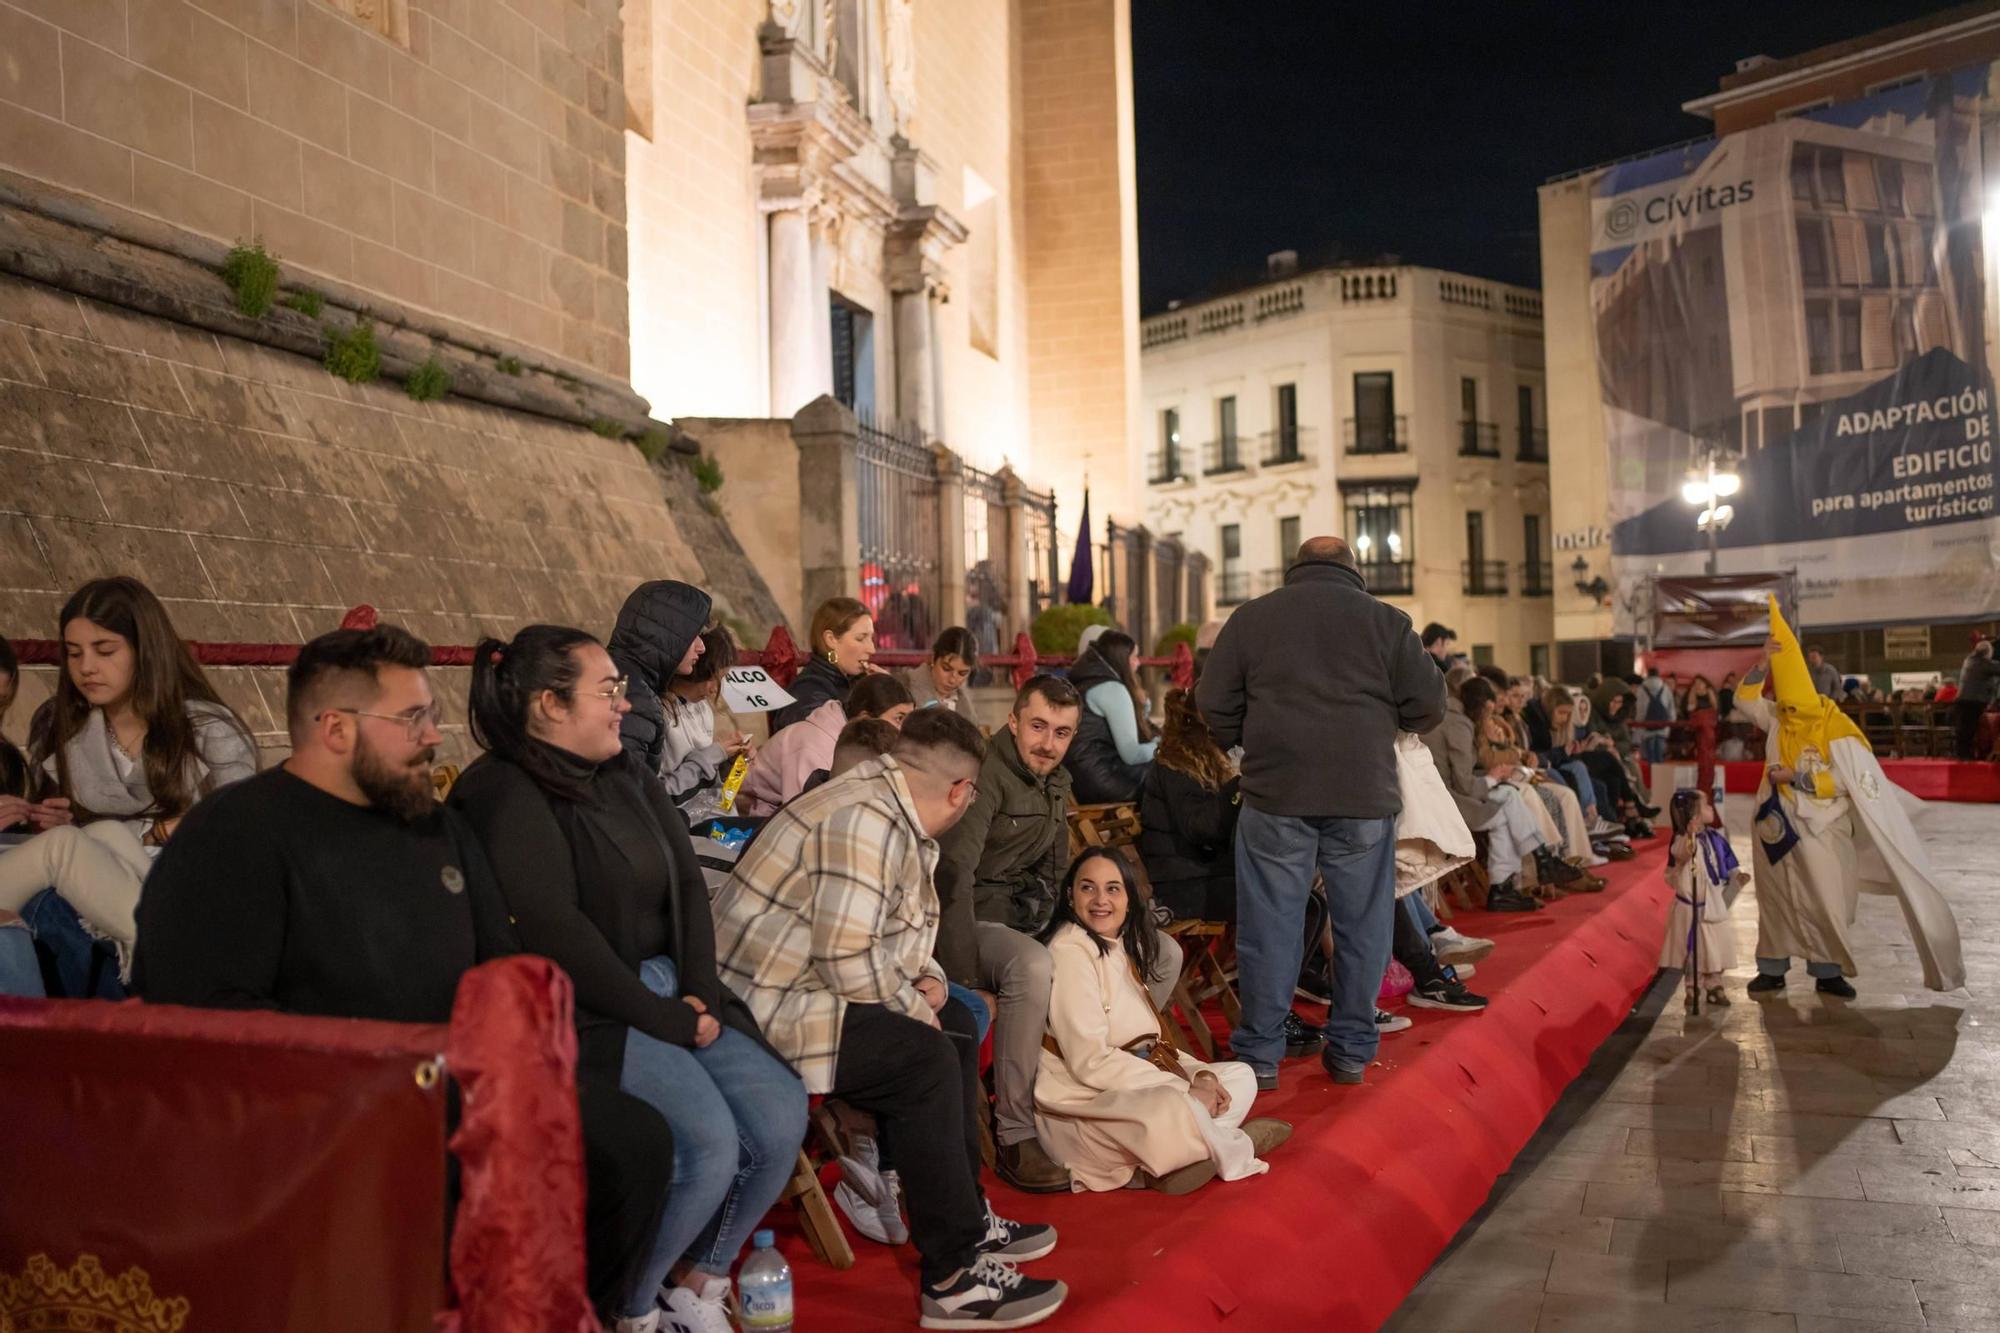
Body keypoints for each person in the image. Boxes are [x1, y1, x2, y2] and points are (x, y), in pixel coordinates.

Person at [134, 623, 677, 1324]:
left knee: (633, 1145)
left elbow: (496, 965)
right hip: (324, 1110)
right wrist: (390, 1073)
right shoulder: (233, 835)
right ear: (334, 727)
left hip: (455, 1085)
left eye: (432, 714)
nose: (434, 736)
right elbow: (204, 1024)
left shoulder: (432, 827)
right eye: (412, 718)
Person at [449, 625, 807, 1333]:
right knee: (704, 1141)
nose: (624, 703)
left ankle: (698, 1278)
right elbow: (555, 931)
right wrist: (663, 1015)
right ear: (549, 705)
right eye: (607, 690)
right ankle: (630, 1306)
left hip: (670, 981)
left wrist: (698, 985)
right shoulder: (502, 790)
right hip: (585, 1002)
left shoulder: (625, 771)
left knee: (776, 1114)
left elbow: (682, 877)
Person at [712, 709, 1068, 1330]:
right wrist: (913, 1006)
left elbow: (891, 927)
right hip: (764, 1008)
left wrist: (927, 980)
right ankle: (953, 1280)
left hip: (803, 983)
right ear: (962, 792)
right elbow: (847, 956)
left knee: (954, 1017)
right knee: (926, 1054)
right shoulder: (866, 822)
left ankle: (969, 1217)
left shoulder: (886, 800)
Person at [1196, 536, 1446, 1090]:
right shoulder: (1387, 622)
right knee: (1362, 927)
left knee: (1270, 927)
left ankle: (1260, 1057)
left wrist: (1250, 743)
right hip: (1362, 795)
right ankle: (1352, 1050)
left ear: (1296, 568)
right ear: (1352, 571)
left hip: (1275, 793)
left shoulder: (1252, 619)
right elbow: (1429, 705)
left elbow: (1212, 700)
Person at [933, 674, 1184, 1191]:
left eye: (1062, 733)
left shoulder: (1057, 780)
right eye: (1039, 727)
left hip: (1035, 917)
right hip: (978, 921)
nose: (1049, 744)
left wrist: (1098, 913)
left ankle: (1110, 1060)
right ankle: (1015, 1133)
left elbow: (1057, 871)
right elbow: (953, 879)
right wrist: (960, 980)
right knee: (1033, 964)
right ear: (1013, 721)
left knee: (1162, 951)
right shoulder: (986, 776)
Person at [0, 577, 257, 987]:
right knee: (70, 854)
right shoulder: (60, 725)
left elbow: (241, 827)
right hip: (86, 881)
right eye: (73, 654)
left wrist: (50, 819)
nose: (86, 668)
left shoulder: (206, 728)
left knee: (102, 835)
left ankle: (172, 947)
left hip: (170, 877)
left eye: (104, 651)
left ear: (145, 650)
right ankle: (173, 959)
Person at [1739, 597, 1963, 998]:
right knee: (1775, 904)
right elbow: (1745, 702)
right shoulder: (1780, 716)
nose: (1785, 712)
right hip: (1776, 828)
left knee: (1827, 901)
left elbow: (1851, 779)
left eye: (1792, 706)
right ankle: (1772, 968)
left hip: (1822, 828)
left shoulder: (1835, 726)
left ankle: (1828, 972)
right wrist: (1762, 665)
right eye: (1783, 706)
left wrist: (1800, 778)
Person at [1035, 847, 1289, 1193]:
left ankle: (1189, 1152)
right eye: (1087, 888)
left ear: (1128, 898)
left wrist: (1198, 1076)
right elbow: (1090, 1063)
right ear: (1070, 895)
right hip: (1087, 1100)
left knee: (1240, 1077)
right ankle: (1228, 1145)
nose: (1100, 900)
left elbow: (1155, 1044)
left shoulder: (1117, 945)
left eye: (1112, 888)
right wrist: (1185, 1089)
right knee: (1173, 1107)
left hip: (1140, 1079)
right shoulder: (1069, 951)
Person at [1424, 677, 1581, 913]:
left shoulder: (1448, 717)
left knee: (1508, 802)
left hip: (1440, 796)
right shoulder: (1458, 723)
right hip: (1448, 802)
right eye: (1488, 710)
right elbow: (1465, 784)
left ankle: (1516, 879)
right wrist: (1492, 778)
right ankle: (1524, 872)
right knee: (1509, 799)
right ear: (1482, 705)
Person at [738, 673, 913, 816]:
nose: (904, 729)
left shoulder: (851, 741)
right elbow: (802, 814)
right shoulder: (814, 746)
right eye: (899, 718)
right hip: (746, 822)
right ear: (865, 718)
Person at [1137, 688, 1240, 923]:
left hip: (1207, 875)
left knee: (1303, 898)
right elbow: (1201, 827)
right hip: (1183, 886)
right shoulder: (1175, 764)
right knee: (1284, 901)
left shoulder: (1207, 761)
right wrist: (1238, 786)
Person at [1662, 787, 1742, 1008]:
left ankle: (1714, 984)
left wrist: (1735, 875)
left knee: (1715, 948)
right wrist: (1691, 836)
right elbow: (1682, 855)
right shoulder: (1682, 840)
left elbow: (1725, 857)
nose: (1711, 807)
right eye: (1706, 805)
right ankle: (1693, 987)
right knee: (1695, 953)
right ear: (1694, 816)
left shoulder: (1715, 837)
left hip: (1713, 905)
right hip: (1692, 908)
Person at [658, 626, 751, 810]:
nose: (715, 688)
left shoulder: (702, 708)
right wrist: (713, 756)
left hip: (709, 817)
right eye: (714, 679)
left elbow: (716, 792)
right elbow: (661, 795)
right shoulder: (661, 715)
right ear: (696, 669)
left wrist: (733, 763)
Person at [1061, 630, 1156, 805]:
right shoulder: (1111, 689)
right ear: (1120, 658)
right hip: (1103, 780)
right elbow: (1132, 755)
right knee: (1174, 777)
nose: (1138, 663)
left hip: (1080, 779)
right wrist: (1162, 747)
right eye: (1134, 657)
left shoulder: (1086, 681)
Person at [770, 597, 879, 733]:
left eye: (871, 638)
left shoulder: (856, 682)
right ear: (831, 639)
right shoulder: (809, 692)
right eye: (860, 638)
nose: (871, 649)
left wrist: (884, 689)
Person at [907, 627, 985, 726]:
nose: (952, 679)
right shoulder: (905, 689)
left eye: (962, 673)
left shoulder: (967, 710)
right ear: (933, 658)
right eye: (946, 669)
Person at [1952, 640, 1999, 760]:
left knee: (1964, 730)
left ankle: (1963, 755)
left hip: (1963, 700)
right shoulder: (1982, 663)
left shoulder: (1969, 660)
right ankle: (1966, 756)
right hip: (1973, 701)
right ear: (1988, 652)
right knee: (1969, 730)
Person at [1636, 666, 1676, 764]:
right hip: (1662, 727)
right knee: (1660, 756)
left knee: (1650, 757)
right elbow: (1671, 708)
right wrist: (1670, 723)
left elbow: (1640, 709)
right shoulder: (1665, 688)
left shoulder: (1641, 689)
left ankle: (1651, 777)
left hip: (1647, 728)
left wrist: (1640, 725)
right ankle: (1660, 777)